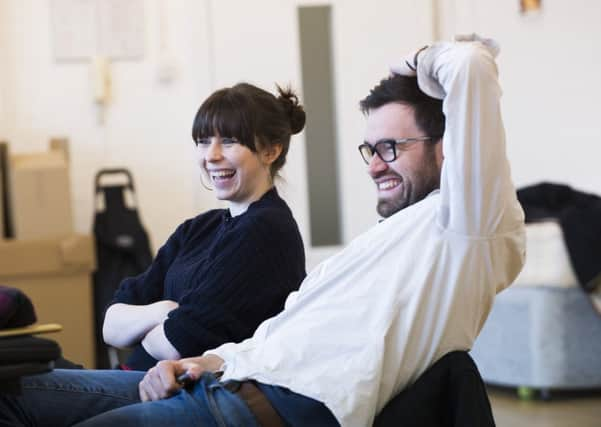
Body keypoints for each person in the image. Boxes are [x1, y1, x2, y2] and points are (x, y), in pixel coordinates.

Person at [0, 35, 525, 427]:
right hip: (216, 380)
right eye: (370, 150)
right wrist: (203, 361)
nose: (373, 166)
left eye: (392, 148)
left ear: (448, 148)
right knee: (14, 392)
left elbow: (472, 64)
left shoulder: (466, 228)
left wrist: (411, 66)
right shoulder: (374, 249)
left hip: (252, 405)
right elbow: (276, 338)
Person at [99, 82, 308, 370]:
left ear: (271, 151)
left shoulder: (266, 230)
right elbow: (110, 326)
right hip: (134, 380)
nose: (211, 155)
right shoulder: (198, 229)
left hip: (178, 394)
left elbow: (174, 344)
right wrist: (166, 310)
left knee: (25, 395)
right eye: (204, 141)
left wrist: (146, 325)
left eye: (230, 141)